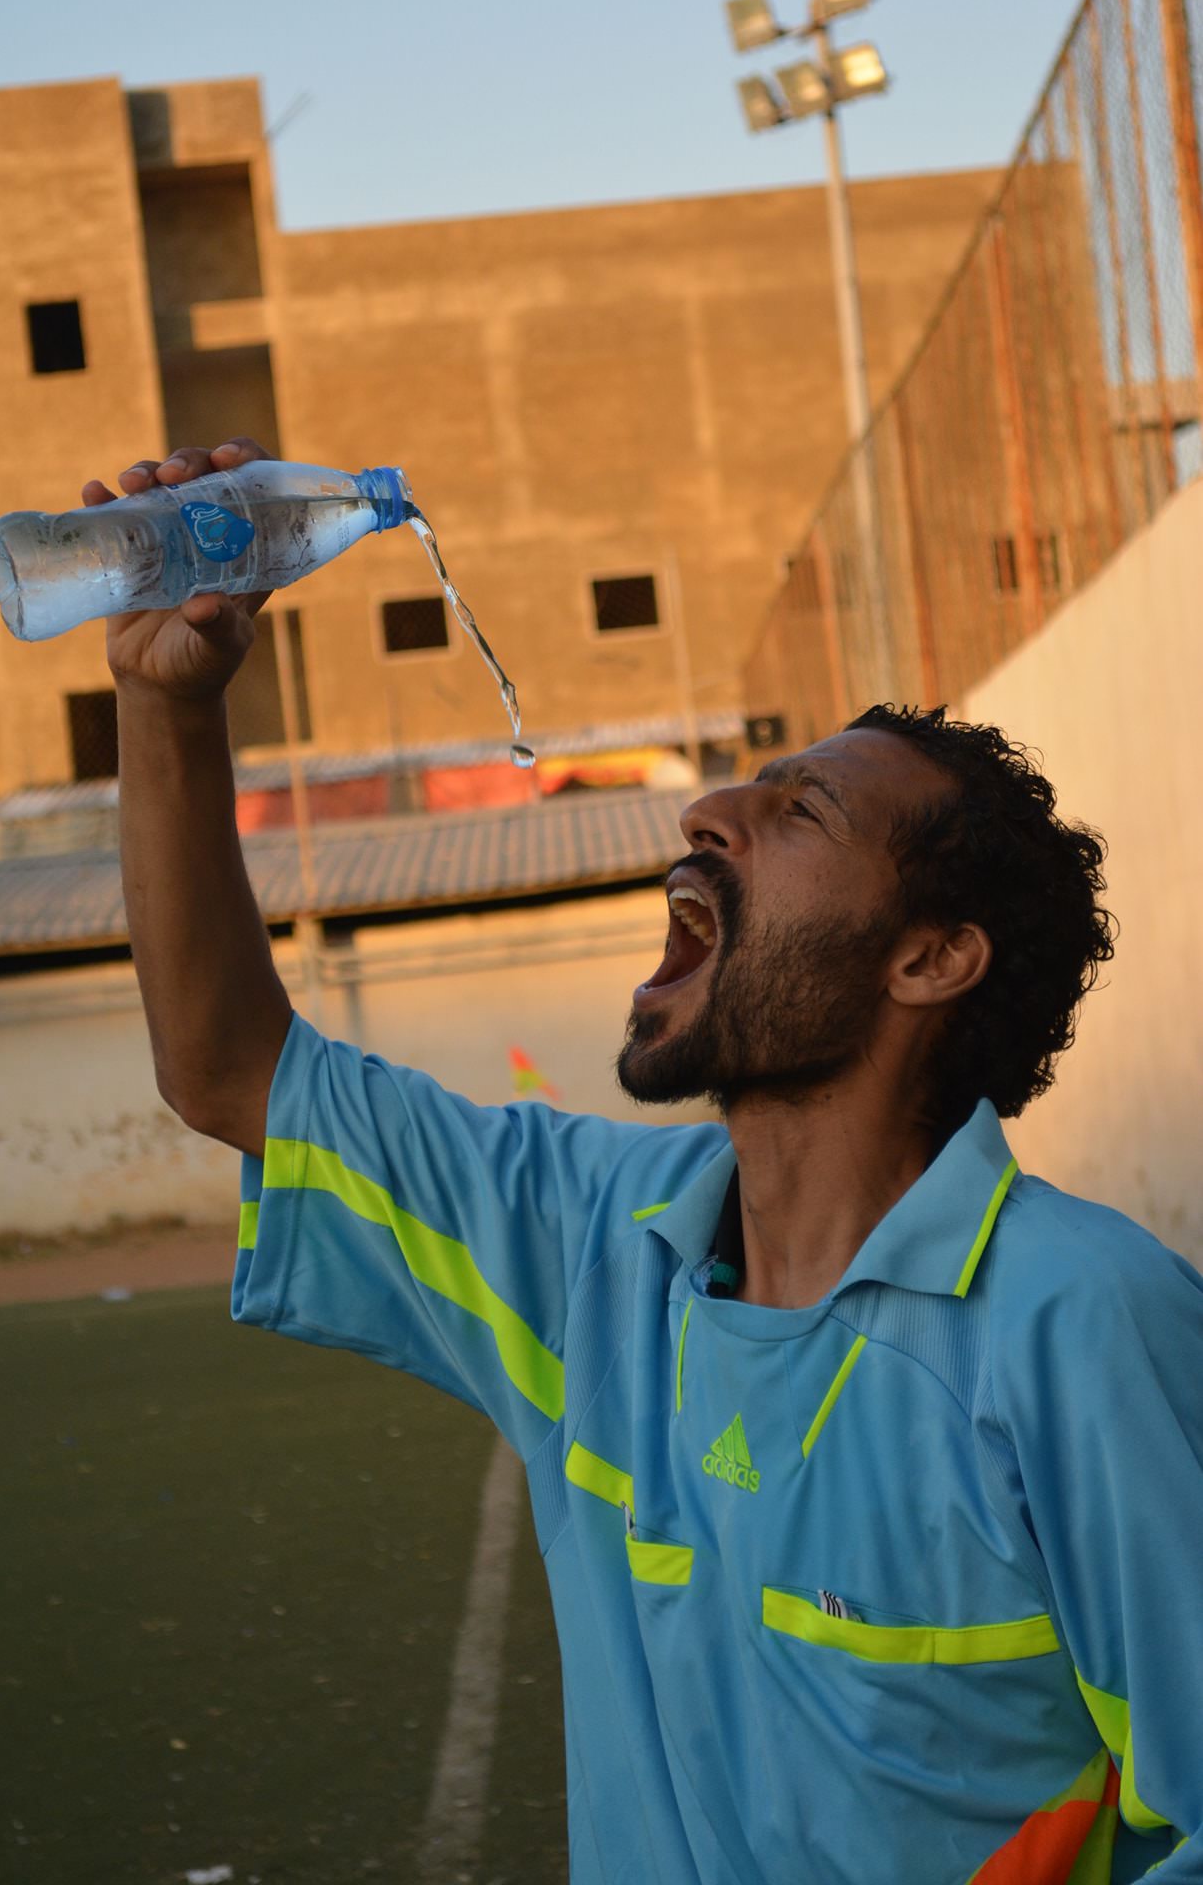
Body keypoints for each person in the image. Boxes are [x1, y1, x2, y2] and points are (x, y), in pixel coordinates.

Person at [90, 436, 1203, 1884]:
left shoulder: (1078, 1323)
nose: (706, 815)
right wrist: (164, 712)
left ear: (929, 958)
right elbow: (231, 1070)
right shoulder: (587, 1251)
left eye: (798, 810)